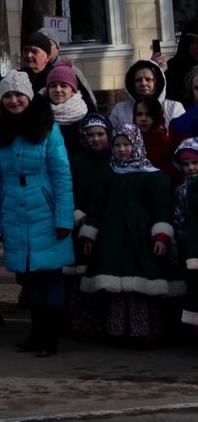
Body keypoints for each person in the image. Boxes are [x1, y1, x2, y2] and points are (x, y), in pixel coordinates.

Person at [0, 70, 74, 357]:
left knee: (50, 276)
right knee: (29, 277)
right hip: (14, 210)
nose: (13, 100)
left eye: (18, 94)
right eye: (7, 95)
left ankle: (50, 336)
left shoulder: (47, 127)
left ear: (29, 96)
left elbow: (61, 175)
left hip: (45, 209)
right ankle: (35, 334)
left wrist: (63, 218)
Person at [78, 125, 182, 346]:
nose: (122, 149)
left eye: (127, 144)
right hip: (111, 236)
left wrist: (161, 236)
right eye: (117, 145)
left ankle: (143, 331)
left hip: (141, 237)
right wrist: (89, 235)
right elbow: (96, 206)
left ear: (136, 145)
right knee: (114, 285)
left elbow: (161, 208)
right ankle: (116, 331)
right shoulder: (107, 173)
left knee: (142, 285)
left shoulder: (153, 176)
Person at [66, 112, 112, 339]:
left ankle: (106, 324)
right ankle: (82, 324)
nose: (95, 139)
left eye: (100, 134)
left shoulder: (115, 161)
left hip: (108, 226)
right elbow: (68, 190)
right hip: (80, 223)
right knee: (80, 277)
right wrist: (78, 215)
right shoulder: (77, 161)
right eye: (90, 134)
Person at [109, 59, 183, 130]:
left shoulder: (174, 108)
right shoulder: (120, 110)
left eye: (148, 79)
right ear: (133, 83)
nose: (143, 84)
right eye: (138, 80)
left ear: (156, 82)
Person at [44, 64, 94, 157]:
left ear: (73, 90)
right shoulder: (38, 113)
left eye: (64, 86)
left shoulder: (85, 116)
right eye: (53, 86)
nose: (58, 90)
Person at [176, 138, 198, 329]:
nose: (190, 168)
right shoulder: (182, 190)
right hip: (190, 244)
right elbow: (180, 218)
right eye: (186, 164)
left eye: (194, 163)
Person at [158, 19, 198, 109]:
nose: (195, 47)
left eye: (197, 41)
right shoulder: (175, 73)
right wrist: (153, 69)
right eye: (191, 42)